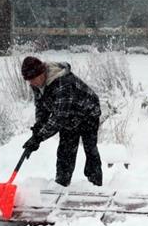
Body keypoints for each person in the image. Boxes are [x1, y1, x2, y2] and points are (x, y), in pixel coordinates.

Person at [21, 56, 103, 187]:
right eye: (29, 80)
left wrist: (40, 137)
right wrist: (37, 130)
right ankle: (61, 184)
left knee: (90, 148)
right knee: (65, 150)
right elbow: (42, 108)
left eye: (33, 79)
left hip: (88, 112)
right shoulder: (37, 84)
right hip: (69, 115)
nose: (32, 83)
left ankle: (96, 184)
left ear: (41, 73)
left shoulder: (62, 82)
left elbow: (59, 117)